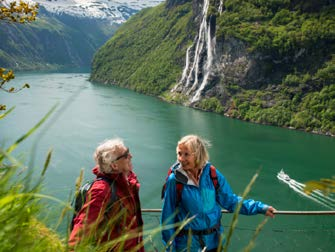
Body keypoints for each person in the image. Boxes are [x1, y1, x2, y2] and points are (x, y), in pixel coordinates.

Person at [161, 134, 276, 252]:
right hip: (188, 246)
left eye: (186, 154)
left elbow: (231, 201)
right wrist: (169, 248)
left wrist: (260, 208)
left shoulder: (212, 175)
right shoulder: (174, 181)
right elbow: (167, 219)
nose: (181, 159)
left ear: (198, 155)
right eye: (179, 153)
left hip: (214, 243)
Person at [69, 138, 144, 251]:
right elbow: (83, 228)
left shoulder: (127, 183)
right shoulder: (101, 190)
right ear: (114, 166)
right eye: (126, 155)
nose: (131, 156)